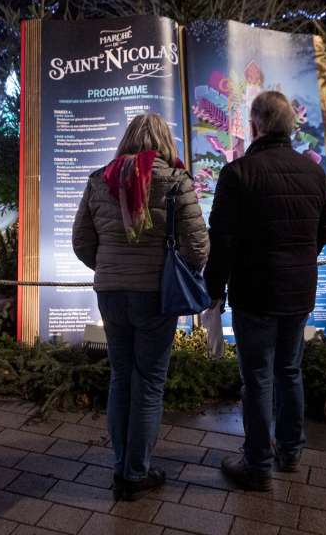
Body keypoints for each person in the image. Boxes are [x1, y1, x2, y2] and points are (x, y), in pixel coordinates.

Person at [72, 113, 209, 501]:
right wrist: (177, 271)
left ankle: (121, 466)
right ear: (165, 140)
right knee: (148, 382)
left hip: (111, 293)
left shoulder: (100, 179)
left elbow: (81, 239)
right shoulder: (176, 181)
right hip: (155, 295)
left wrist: (109, 266)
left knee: (121, 376)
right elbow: (198, 245)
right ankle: (136, 472)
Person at [204, 91, 326, 491]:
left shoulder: (239, 173)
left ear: (255, 124)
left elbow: (221, 240)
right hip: (297, 292)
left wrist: (213, 291)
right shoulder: (313, 172)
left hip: (255, 291)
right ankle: (290, 452)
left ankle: (258, 464)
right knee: (289, 369)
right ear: (290, 126)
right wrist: (299, 256)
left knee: (258, 376)